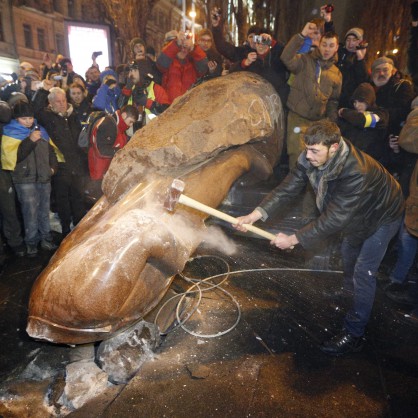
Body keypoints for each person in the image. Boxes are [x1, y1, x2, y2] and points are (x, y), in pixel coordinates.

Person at [234, 120, 404, 356]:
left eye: (315, 151)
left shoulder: (356, 171)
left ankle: (354, 333)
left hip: (384, 216)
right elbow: (287, 188)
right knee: (348, 255)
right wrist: (255, 215)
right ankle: (349, 294)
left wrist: (293, 239)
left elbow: (334, 218)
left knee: (363, 271)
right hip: (357, 216)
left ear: (334, 148)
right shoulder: (310, 157)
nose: (308, 155)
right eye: (306, 148)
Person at [280, 23, 342, 169]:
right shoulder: (304, 60)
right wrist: (301, 36)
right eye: (324, 44)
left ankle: (311, 191)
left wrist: (332, 124)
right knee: (297, 158)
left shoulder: (337, 73)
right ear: (319, 45)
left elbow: (333, 101)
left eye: (331, 45)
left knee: (317, 161)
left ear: (336, 48)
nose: (327, 49)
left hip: (319, 122)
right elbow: (286, 57)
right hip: (298, 118)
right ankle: (294, 190)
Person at [1, 102, 58, 256]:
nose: (28, 121)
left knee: (44, 211)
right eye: (24, 118)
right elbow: (15, 157)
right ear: (16, 118)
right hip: (24, 180)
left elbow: (51, 151)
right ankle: (31, 242)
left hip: (44, 178)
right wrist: (30, 140)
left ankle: (46, 239)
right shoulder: (10, 133)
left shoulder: (40, 131)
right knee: (30, 213)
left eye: (30, 118)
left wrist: (52, 168)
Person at [32, 83, 88, 238]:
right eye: (58, 101)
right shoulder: (47, 116)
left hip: (76, 163)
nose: (62, 104)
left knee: (78, 195)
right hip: (60, 164)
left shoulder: (73, 115)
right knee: (62, 198)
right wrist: (43, 90)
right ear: (50, 103)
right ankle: (65, 228)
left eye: (63, 100)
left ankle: (79, 224)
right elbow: (34, 108)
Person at [87, 105, 138, 199]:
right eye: (130, 122)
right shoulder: (108, 124)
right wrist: (121, 152)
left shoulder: (119, 126)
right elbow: (101, 150)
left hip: (107, 171)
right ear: (124, 115)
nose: (130, 125)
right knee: (101, 202)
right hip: (99, 173)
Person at [231, 29, 289, 105]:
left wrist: (273, 42)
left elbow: (287, 53)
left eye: (264, 43)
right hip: (256, 102)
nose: (261, 46)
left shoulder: (277, 58)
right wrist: (245, 62)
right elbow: (232, 72)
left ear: (269, 44)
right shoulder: (252, 59)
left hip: (276, 102)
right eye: (258, 43)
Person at [0, 100, 26, 258]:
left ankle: (15, 242)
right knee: (9, 210)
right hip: (4, 173)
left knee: (9, 210)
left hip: (3, 172)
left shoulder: (6, 126)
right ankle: (14, 243)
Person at [337, 82, 388, 161]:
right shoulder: (351, 117)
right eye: (354, 102)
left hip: (369, 161)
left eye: (360, 101)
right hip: (349, 159)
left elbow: (364, 120)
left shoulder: (382, 114)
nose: (356, 105)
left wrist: (344, 112)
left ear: (369, 99)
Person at [157, 30, 208, 104]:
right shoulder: (169, 63)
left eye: (186, 47)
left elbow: (204, 68)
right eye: (181, 47)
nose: (183, 50)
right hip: (170, 108)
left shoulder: (193, 64)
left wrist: (194, 48)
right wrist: (176, 44)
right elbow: (161, 63)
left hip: (189, 108)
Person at [119, 59, 170, 130]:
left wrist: (147, 102)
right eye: (130, 71)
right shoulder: (129, 89)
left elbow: (167, 112)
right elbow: (120, 108)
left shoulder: (156, 89)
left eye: (134, 71)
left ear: (143, 71)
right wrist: (127, 89)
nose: (130, 74)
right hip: (131, 136)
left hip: (151, 134)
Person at [337, 27, 369, 108]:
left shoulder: (360, 60)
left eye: (354, 40)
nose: (350, 43)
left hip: (346, 101)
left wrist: (360, 59)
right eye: (348, 40)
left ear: (360, 42)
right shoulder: (339, 52)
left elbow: (362, 79)